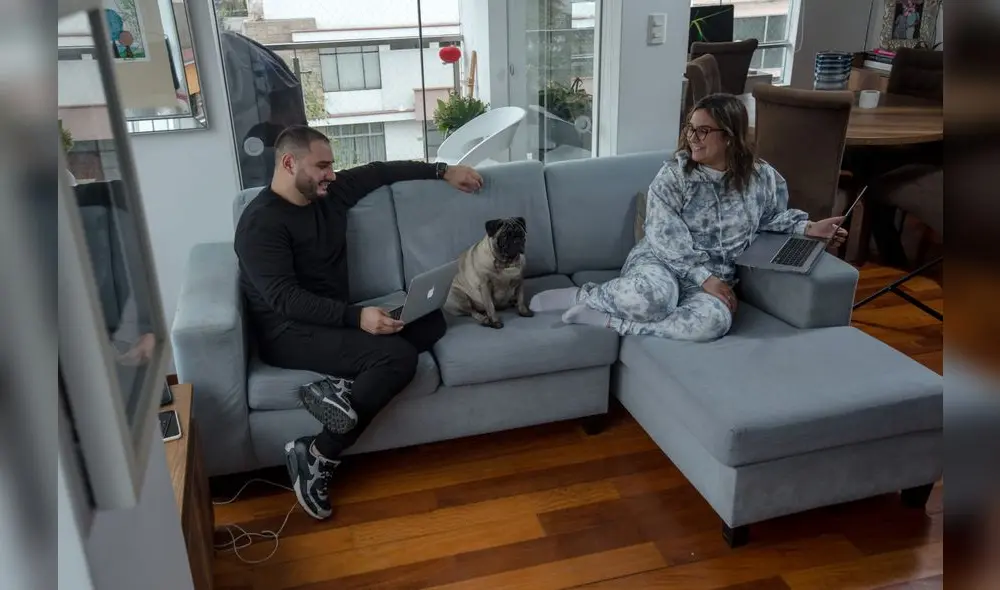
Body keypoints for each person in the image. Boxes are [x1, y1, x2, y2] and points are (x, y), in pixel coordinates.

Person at [234, 125, 483, 520]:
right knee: (398, 358)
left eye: (331, 165)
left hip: (331, 320)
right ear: (288, 163)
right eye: (322, 166)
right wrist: (356, 318)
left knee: (431, 321)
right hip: (287, 332)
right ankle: (315, 455)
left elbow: (382, 171)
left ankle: (342, 388)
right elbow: (284, 299)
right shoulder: (260, 225)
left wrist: (444, 170)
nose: (331, 174)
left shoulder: (329, 195)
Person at [529, 93, 848, 342]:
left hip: (716, 275)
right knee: (653, 300)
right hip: (661, 261)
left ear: (730, 136)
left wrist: (808, 227)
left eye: (704, 131)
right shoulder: (673, 176)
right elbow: (664, 236)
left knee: (714, 323)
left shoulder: (762, 177)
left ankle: (613, 321)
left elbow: (769, 218)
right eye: (691, 129)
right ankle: (586, 294)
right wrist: (702, 277)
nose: (693, 137)